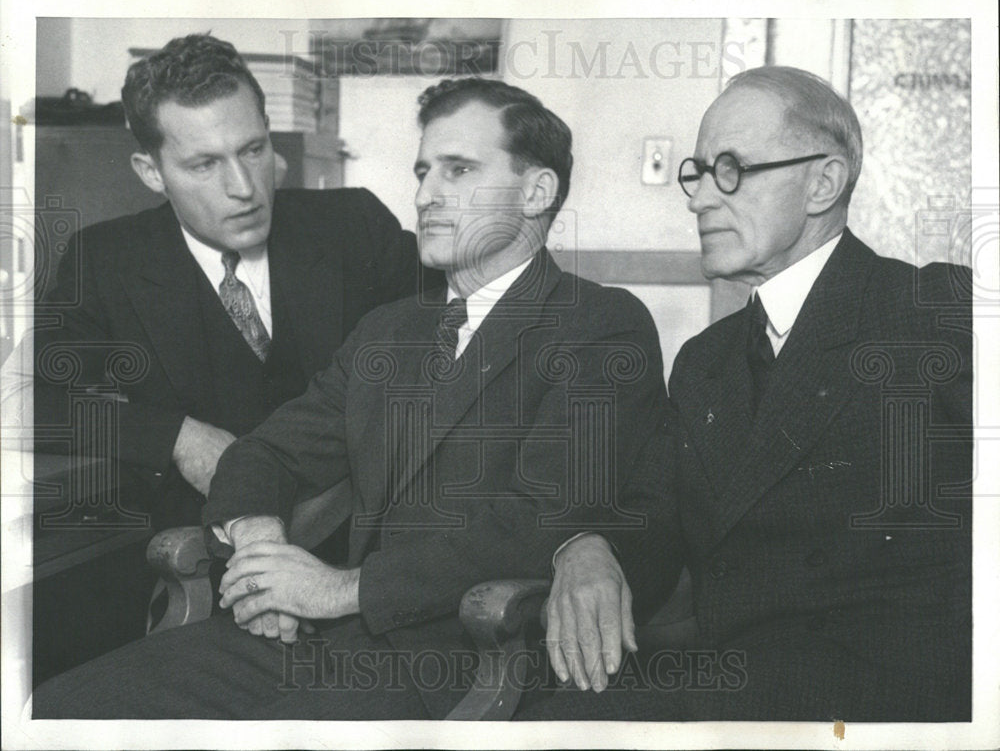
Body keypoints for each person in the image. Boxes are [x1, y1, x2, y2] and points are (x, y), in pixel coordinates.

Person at [32, 77, 668, 720]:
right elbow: (266, 452)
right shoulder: (389, 329)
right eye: (423, 171)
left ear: (537, 191)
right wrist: (260, 554)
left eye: (459, 169)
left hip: (464, 656)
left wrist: (339, 589)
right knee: (61, 707)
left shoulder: (600, 324)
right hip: (325, 639)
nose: (424, 195)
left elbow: (543, 521)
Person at [527, 65, 972, 721]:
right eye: (698, 172)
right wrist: (585, 546)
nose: (701, 198)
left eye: (731, 169)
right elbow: (661, 525)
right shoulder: (706, 361)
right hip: (737, 683)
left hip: (895, 703)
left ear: (823, 181)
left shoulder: (935, 309)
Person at [25, 34, 436, 530]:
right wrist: (176, 436)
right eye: (205, 164)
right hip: (206, 557)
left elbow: (469, 327)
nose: (243, 188)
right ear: (151, 172)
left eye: (253, 150)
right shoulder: (106, 261)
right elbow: (23, 397)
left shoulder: (354, 226)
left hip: (368, 547)